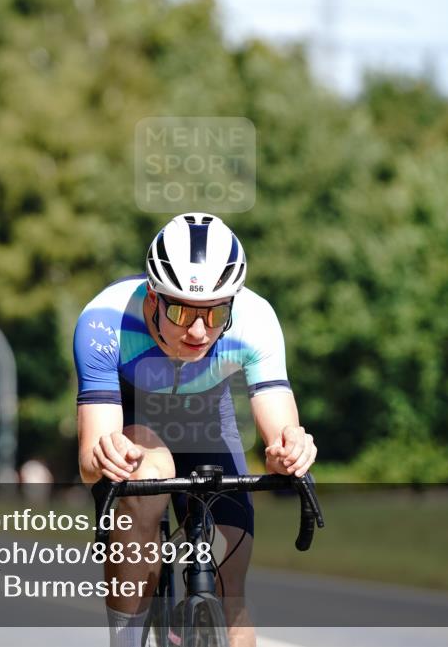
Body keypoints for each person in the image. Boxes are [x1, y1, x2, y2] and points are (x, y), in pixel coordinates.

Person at [73, 212, 317, 647]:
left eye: (216, 311)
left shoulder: (255, 319)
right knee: (147, 477)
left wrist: (288, 451)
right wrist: (105, 458)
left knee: (231, 592)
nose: (200, 330)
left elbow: (281, 429)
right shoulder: (105, 321)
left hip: (207, 427)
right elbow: (91, 465)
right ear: (153, 297)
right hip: (135, 423)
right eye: (182, 311)